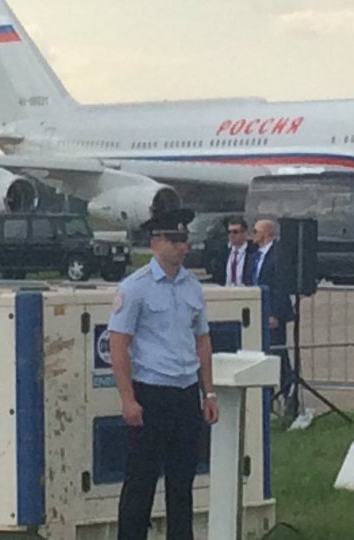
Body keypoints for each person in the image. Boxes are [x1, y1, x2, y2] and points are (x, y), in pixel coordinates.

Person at [108, 208, 219, 540]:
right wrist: (128, 400)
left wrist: (208, 392)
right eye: (174, 240)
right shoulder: (135, 287)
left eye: (184, 239)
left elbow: (202, 341)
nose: (181, 247)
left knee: (182, 480)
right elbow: (118, 345)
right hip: (151, 392)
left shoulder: (192, 286)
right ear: (155, 242)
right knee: (141, 481)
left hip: (185, 393)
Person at [250, 219, 295, 401]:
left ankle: (287, 392)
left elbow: (280, 285)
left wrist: (274, 313)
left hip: (272, 313)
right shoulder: (256, 256)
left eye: (256, 231)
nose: (253, 235)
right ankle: (268, 395)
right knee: (264, 352)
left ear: (266, 233)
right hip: (258, 310)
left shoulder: (277, 255)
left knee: (278, 353)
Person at [222, 216, 252, 286]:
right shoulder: (224, 252)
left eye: (235, 232)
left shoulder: (252, 252)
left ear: (245, 233)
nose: (231, 235)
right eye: (229, 232)